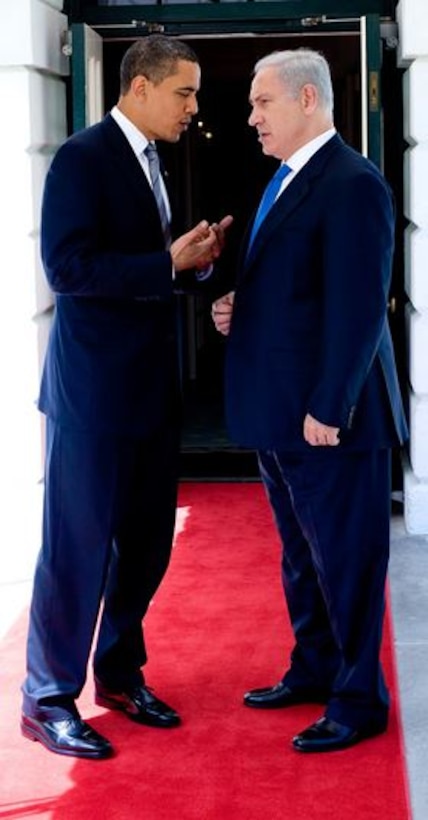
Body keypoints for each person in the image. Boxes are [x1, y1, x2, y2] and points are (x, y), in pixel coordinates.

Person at [21, 35, 232, 760]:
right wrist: (162, 262)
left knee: (144, 548)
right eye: (185, 92)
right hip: (91, 399)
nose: (194, 106)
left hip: (149, 394)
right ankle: (47, 697)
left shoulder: (155, 162)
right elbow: (67, 266)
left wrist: (195, 267)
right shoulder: (82, 158)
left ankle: (117, 674)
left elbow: (154, 272)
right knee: (76, 550)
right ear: (138, 87)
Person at [212, 48, 408, 753]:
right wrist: (243, 306)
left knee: (348, 561)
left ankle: (359, 702)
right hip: (281, 414)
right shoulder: (286, 179)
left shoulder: (352, 183)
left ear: (306, 101)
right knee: (302, 556)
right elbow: (303, 291)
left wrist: (329, 408)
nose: (251, 116)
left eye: (263, 103)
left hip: (332, 420)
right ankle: (316, 668)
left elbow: (358, 310)